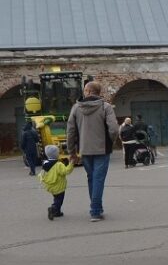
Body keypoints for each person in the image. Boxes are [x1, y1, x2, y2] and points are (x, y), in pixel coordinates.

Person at [66, 80, 118, 222]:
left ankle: (96, 207)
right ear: (98, 92)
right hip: (102, 149)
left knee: (92, 178)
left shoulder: (76, 108)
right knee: (98, 179)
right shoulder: (105, 107)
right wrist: (110, 142)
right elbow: (114, 129)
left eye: (85, 89)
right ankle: (95, 211)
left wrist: (72, 152)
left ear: (88, 91)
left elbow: (70, 132)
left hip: (84, 150)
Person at [39, 145, 76, 220]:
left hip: (50, 186)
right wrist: (71, 163)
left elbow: (42, 174)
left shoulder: (45, 163)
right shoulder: (58, 165)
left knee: (56, 198)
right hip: (58, 186)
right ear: (56, 154)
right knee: (59, 200)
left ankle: (57, 212)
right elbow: (66, 171)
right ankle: (53, 208)